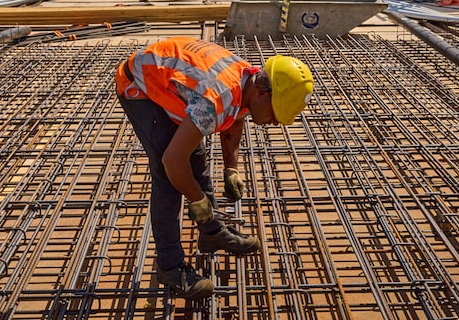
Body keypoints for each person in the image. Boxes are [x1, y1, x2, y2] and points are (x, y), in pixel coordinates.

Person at [116, 37, 314, 300]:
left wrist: (231, 168)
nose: (274, 123)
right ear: (261, 94)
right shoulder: (215, 100)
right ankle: (169, 266)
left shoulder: (250, 77)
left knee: (196, 159)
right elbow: (173, 161)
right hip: (140, 84)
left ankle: (211, 233)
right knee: (168, 175)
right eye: (275, 114)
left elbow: (236, 116)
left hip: (174, 79)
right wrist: (196, 198)